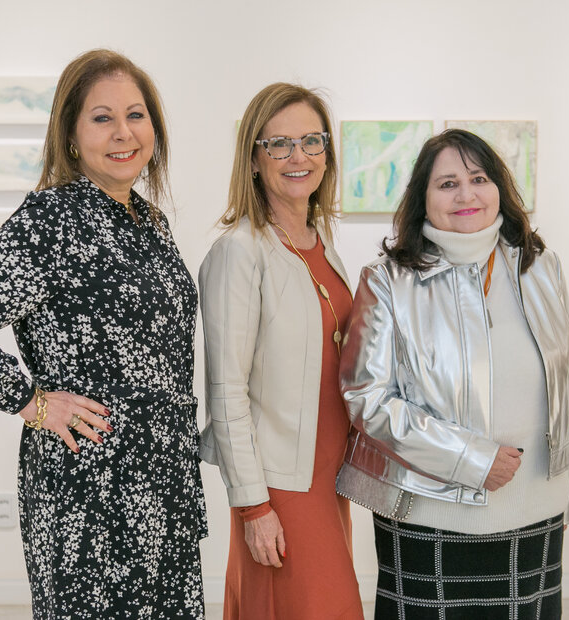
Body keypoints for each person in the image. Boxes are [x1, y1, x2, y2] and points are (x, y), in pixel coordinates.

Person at [0, 49, 206, 618]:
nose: (123, 132)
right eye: (102, 117)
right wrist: (28, 401)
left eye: (136, 115)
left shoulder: (151, 224)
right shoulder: (53, 221)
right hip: (90, 494)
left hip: (164, 491)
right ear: (70, 135)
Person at [337, 129, 569, 619]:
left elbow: (566, 385)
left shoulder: (542, 267)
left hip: (534, 510)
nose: (466, 194)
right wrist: (472, 460)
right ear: (423, 198)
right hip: (431, 516)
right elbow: (367, 398)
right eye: (447, 183)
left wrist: (564, 491)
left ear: (500, 189)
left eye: (478, 178)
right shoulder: (387, 279)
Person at [198, 83, 363, 619]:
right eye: (280, 144)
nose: (299, 157)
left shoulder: (320, 244)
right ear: (253, 158)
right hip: (281, 488)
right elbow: (227, 391)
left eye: (312, 141)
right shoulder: (240, 252)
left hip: (328, 476)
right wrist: (253, 505)